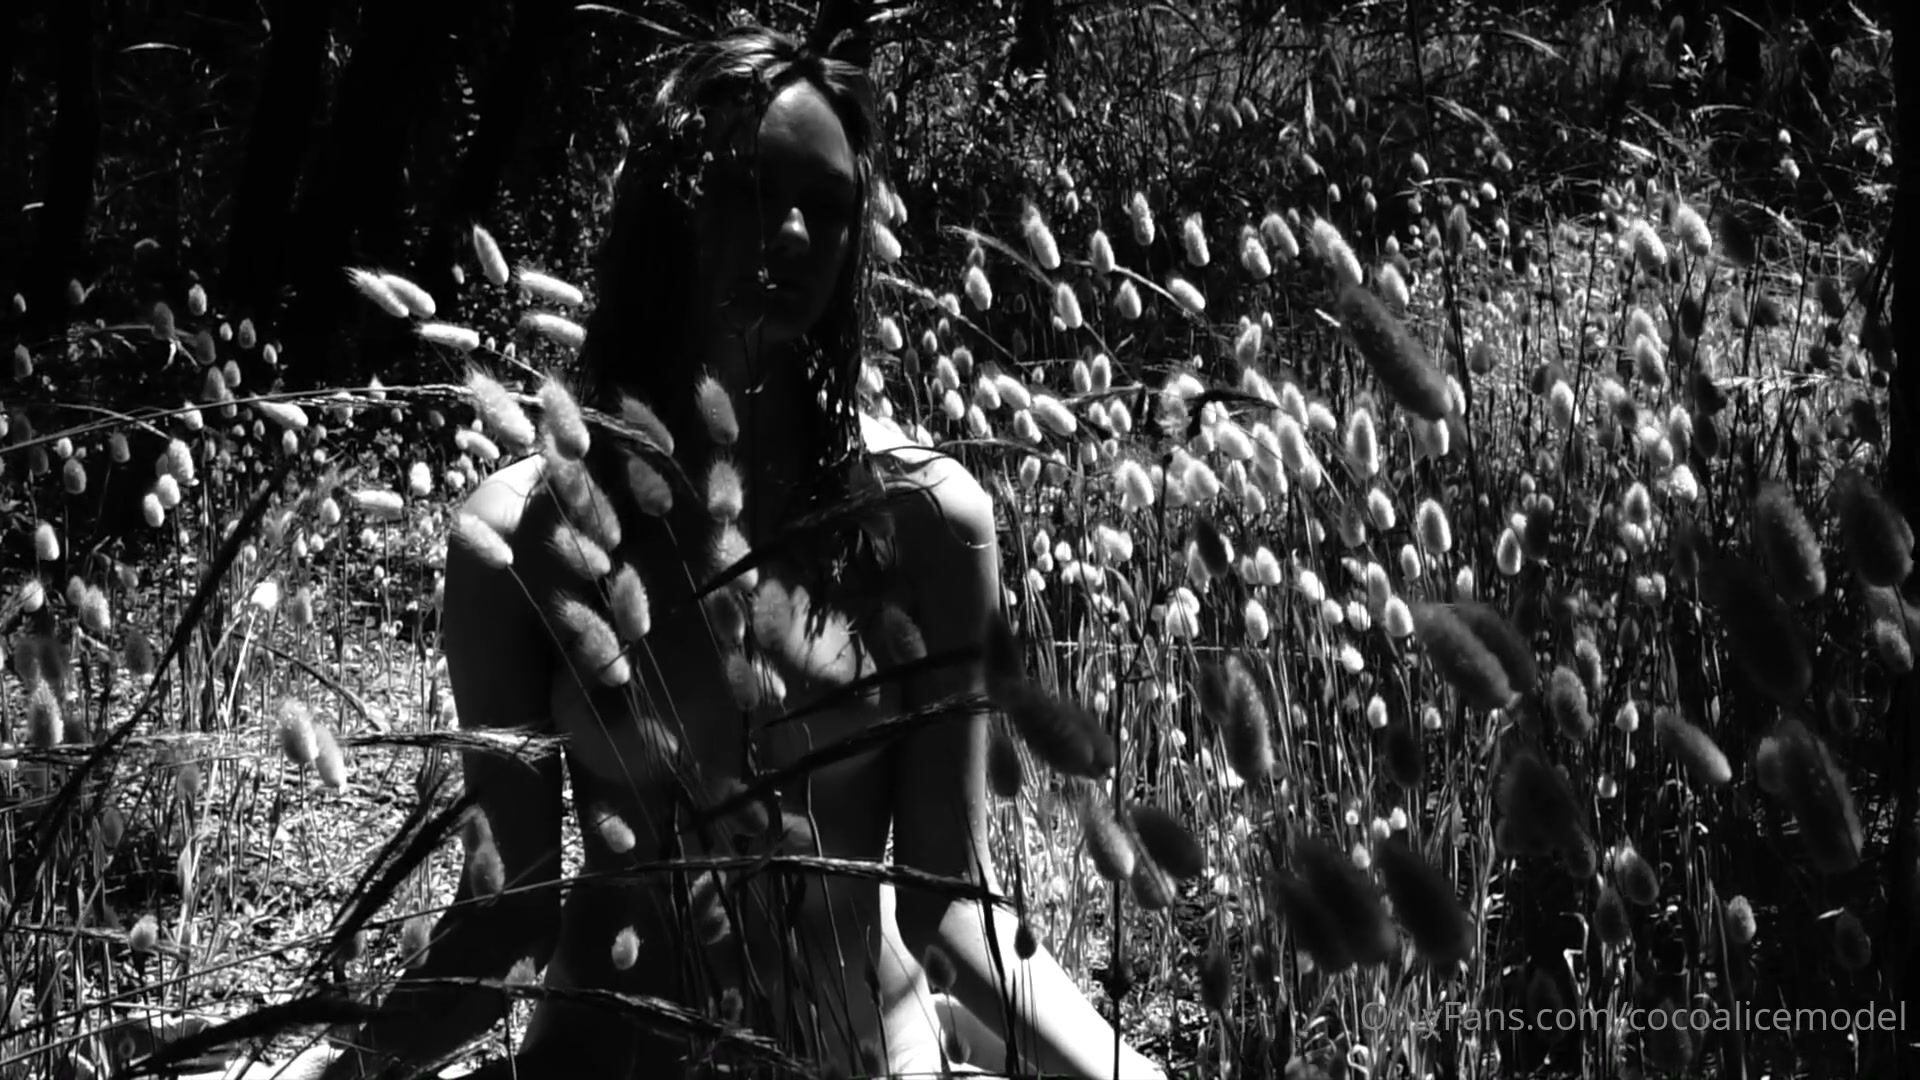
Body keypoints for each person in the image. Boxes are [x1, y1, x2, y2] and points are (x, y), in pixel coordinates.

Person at [299, 26, 1165, 1080]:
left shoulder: (928, 523)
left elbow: (952, 906)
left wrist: (1132, 1075)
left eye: (830, 207)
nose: (794, 232)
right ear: (664, 212)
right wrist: (339, 1070)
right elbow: (505, 915)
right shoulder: (521, 538)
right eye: (749, 190)